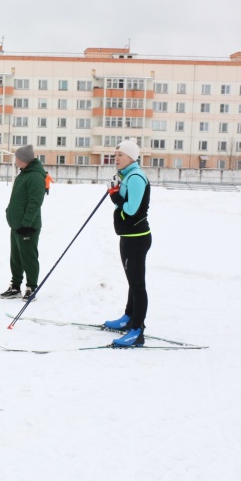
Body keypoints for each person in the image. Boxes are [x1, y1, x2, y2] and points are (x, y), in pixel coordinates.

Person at [104, 140, 152, 347]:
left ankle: (137, 331)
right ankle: (128, 318)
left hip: (137, 238)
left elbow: (131, 209)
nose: (116, 158)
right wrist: (116, 189)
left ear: (131, 158)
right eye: (116, 155)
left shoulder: (135, 177)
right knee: (132, 281)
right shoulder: (128, 176)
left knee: (138, 285)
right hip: (128, 237)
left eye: (120, 155)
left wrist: (115, 196)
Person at [0, 144, 46, 301]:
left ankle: (31, 287)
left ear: (24, 160)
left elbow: (35, 202)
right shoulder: (24, 174)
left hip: (28, 226)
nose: (16, 160)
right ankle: (15, 286)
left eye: (17, 158)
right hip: (16, 225)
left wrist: (27, 223)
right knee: (16, 257)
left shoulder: (35, 177)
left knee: (28, 257)